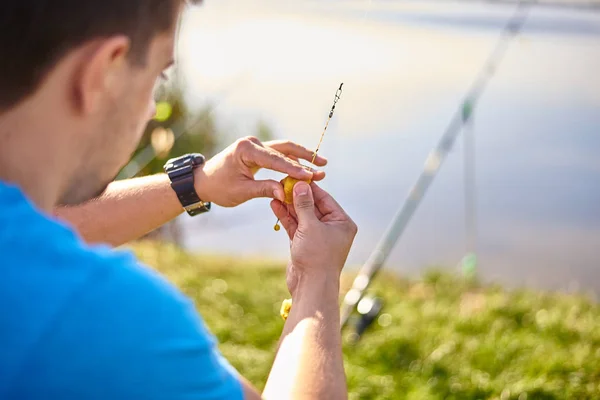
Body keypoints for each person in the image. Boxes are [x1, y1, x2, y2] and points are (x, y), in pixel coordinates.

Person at [0, 1, 357, 399]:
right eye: (158, 76)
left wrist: (196, 183)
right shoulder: (103, 314)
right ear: (103, 73)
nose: (153, 108)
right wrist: (317, 280)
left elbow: (37, 226)